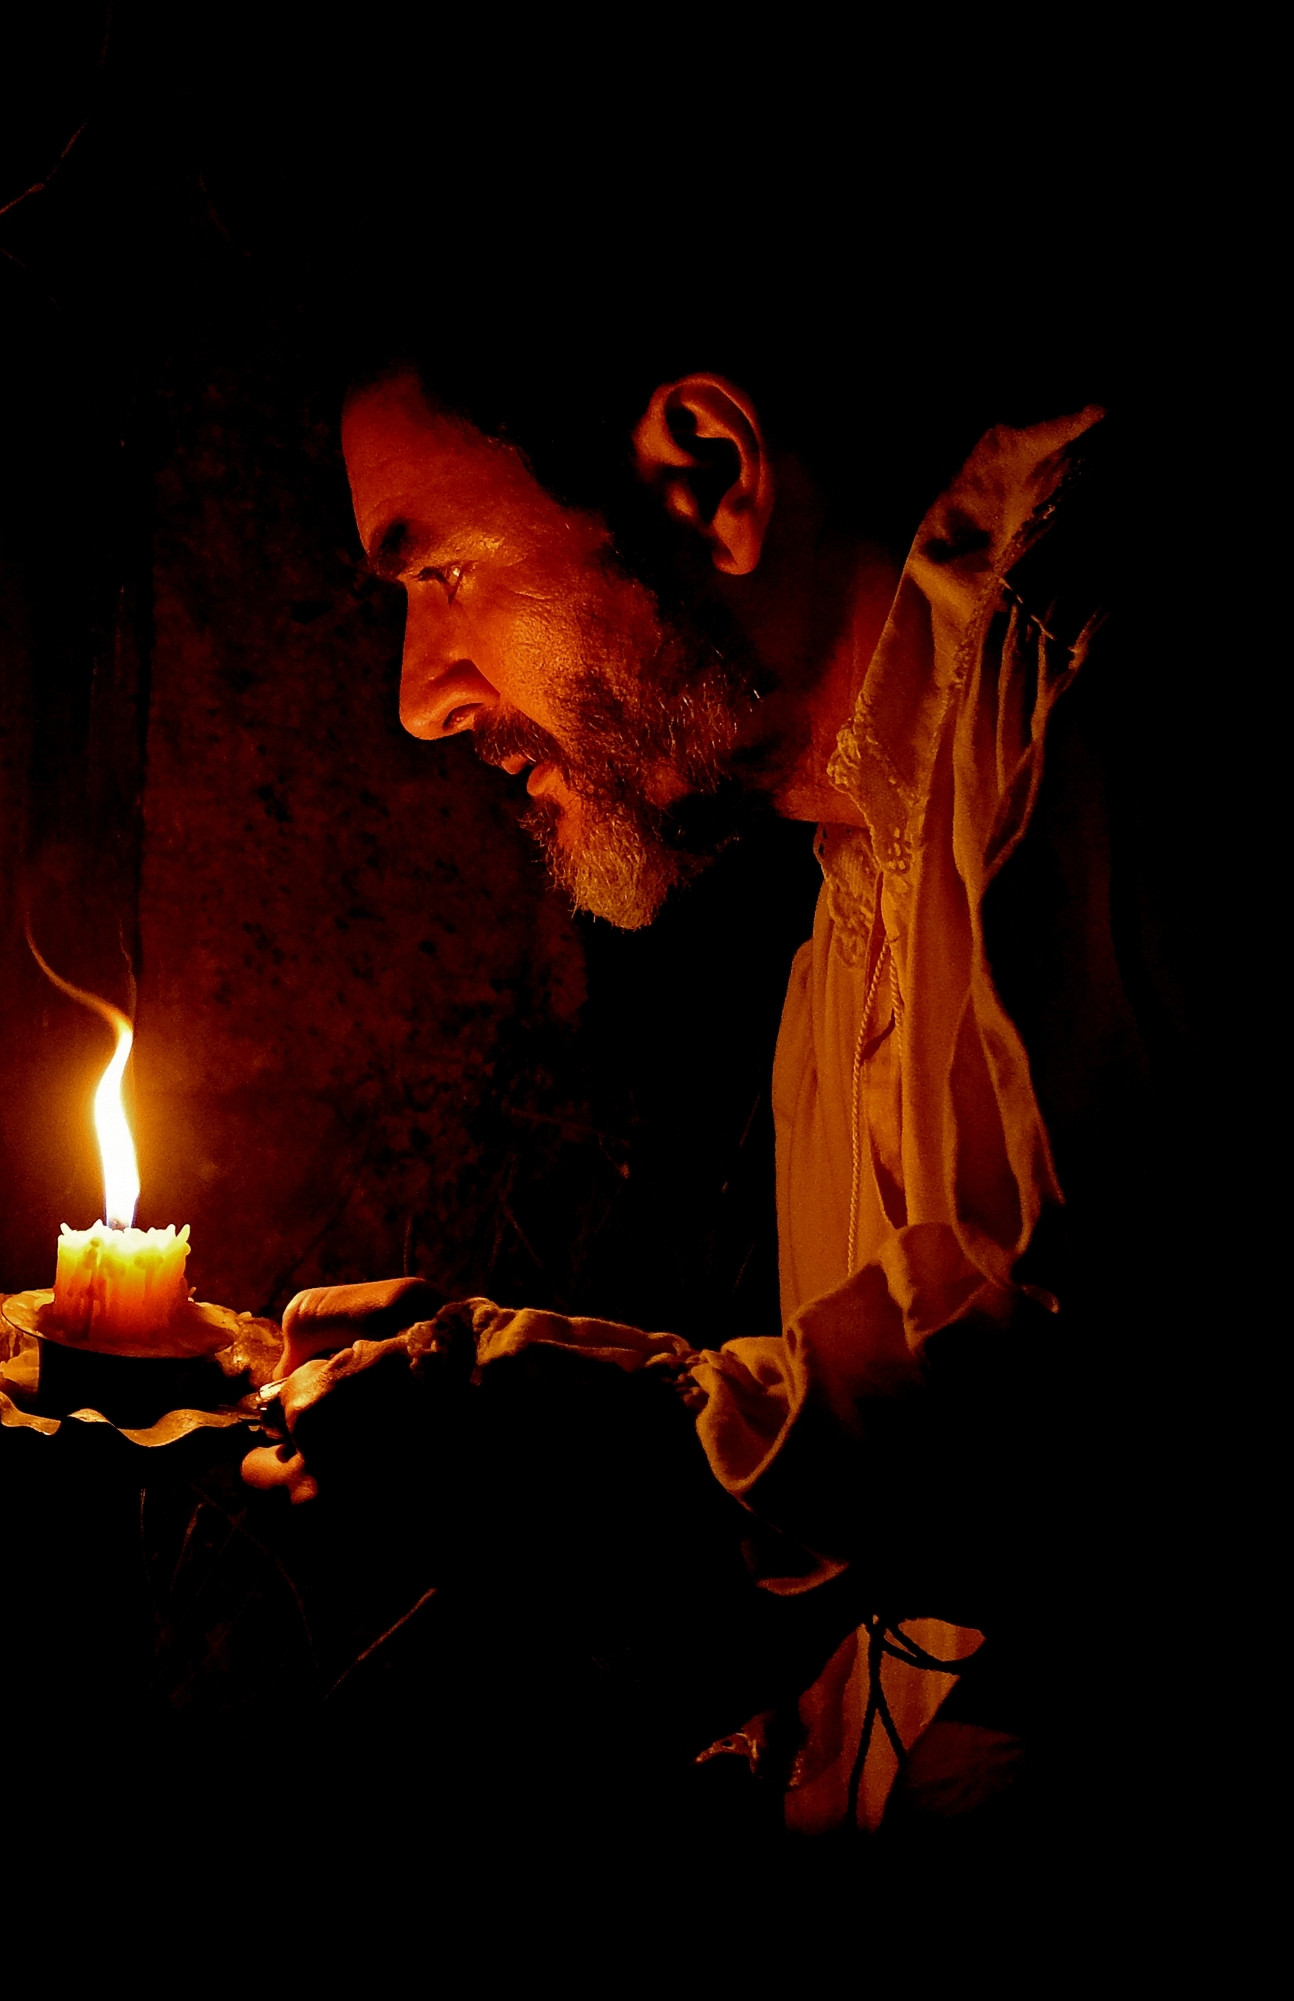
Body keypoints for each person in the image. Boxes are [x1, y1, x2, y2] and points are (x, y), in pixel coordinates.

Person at [247, 267, 1214, 1845]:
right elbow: (906, 1523)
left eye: (444, 574)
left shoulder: (1096, 679)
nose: (420, 699)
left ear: (706, 474)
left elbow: (1123, 1394)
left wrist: (582, 1438)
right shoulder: (847, 898)